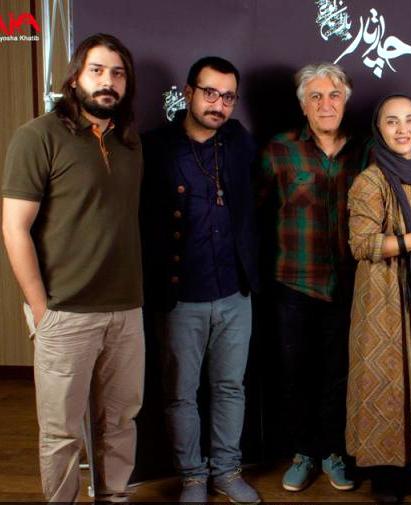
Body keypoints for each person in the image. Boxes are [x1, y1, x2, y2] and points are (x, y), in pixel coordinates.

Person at [2, 33, 144, 503]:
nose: (108, 81)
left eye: (117, 73)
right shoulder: (37, 136)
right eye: (97, 70)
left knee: (120, 422)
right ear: (76, 76)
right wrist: (41, 310)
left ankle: (114, 497)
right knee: (62, 433)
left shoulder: (129, 141)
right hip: (65, 312)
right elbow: (14, 228)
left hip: (126, 311)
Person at [140, 56, 260, 503]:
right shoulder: (155, 147)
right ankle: (193, 477)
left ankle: (227, 471)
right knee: (180, 394)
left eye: (228, 97)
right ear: (188, 93)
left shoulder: (239, 141)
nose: (218, 104)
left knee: (231, 388)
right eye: (210, 93)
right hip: (180, 296)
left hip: (234, 293)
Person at [259, 62, 370, 492]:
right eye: (316, 97)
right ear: (303, 105)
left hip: (348, 284)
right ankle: (303, 452)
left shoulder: (364, 151)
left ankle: (332, 452)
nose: (326, 104)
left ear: (345, 101)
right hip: (294, 282)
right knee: (295, 374)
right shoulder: (279, 150)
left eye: (334, 95)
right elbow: (256, 211)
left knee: (339, 374)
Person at [345, 95, 411, 501]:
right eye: (392, 121)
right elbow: (362, 244)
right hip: (382, 297)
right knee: (386, 380)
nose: (402, 129)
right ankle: (386, 477)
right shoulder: (370, 181)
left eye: (410, 120)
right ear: (379, 129)